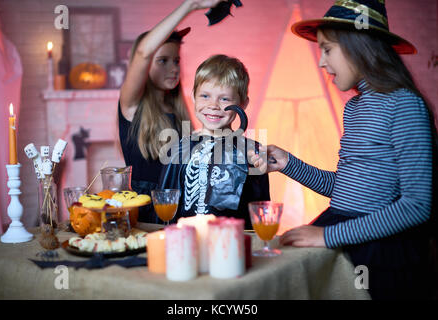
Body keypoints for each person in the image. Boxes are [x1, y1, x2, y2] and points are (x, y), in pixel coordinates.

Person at [248, 0, 437, 300]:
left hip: (381, 249)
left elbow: (416, 205)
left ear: (358, 46)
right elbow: (349, 188)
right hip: (341, 227)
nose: (321, 62)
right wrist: (288, 164)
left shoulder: (404, 105)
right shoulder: (354, 108)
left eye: (327, 49)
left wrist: (327, 235)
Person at [118, 0, 226, 222]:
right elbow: (142, 52)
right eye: (163, 61)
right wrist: (191, 5)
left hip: (180, 209)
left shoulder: (179, 109)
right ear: (146, 66)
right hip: (145, 215)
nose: (174, 68)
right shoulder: (132, 107)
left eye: (176, 60)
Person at [158, 54, 271, 229]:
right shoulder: (179, 149)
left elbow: (260, 209)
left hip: (232, 243)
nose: (213, 105)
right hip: (184, 241)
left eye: (224, 99)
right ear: (193, 97)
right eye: (205, 96)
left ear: (243, 104)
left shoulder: (252, 152)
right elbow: (164, 204)